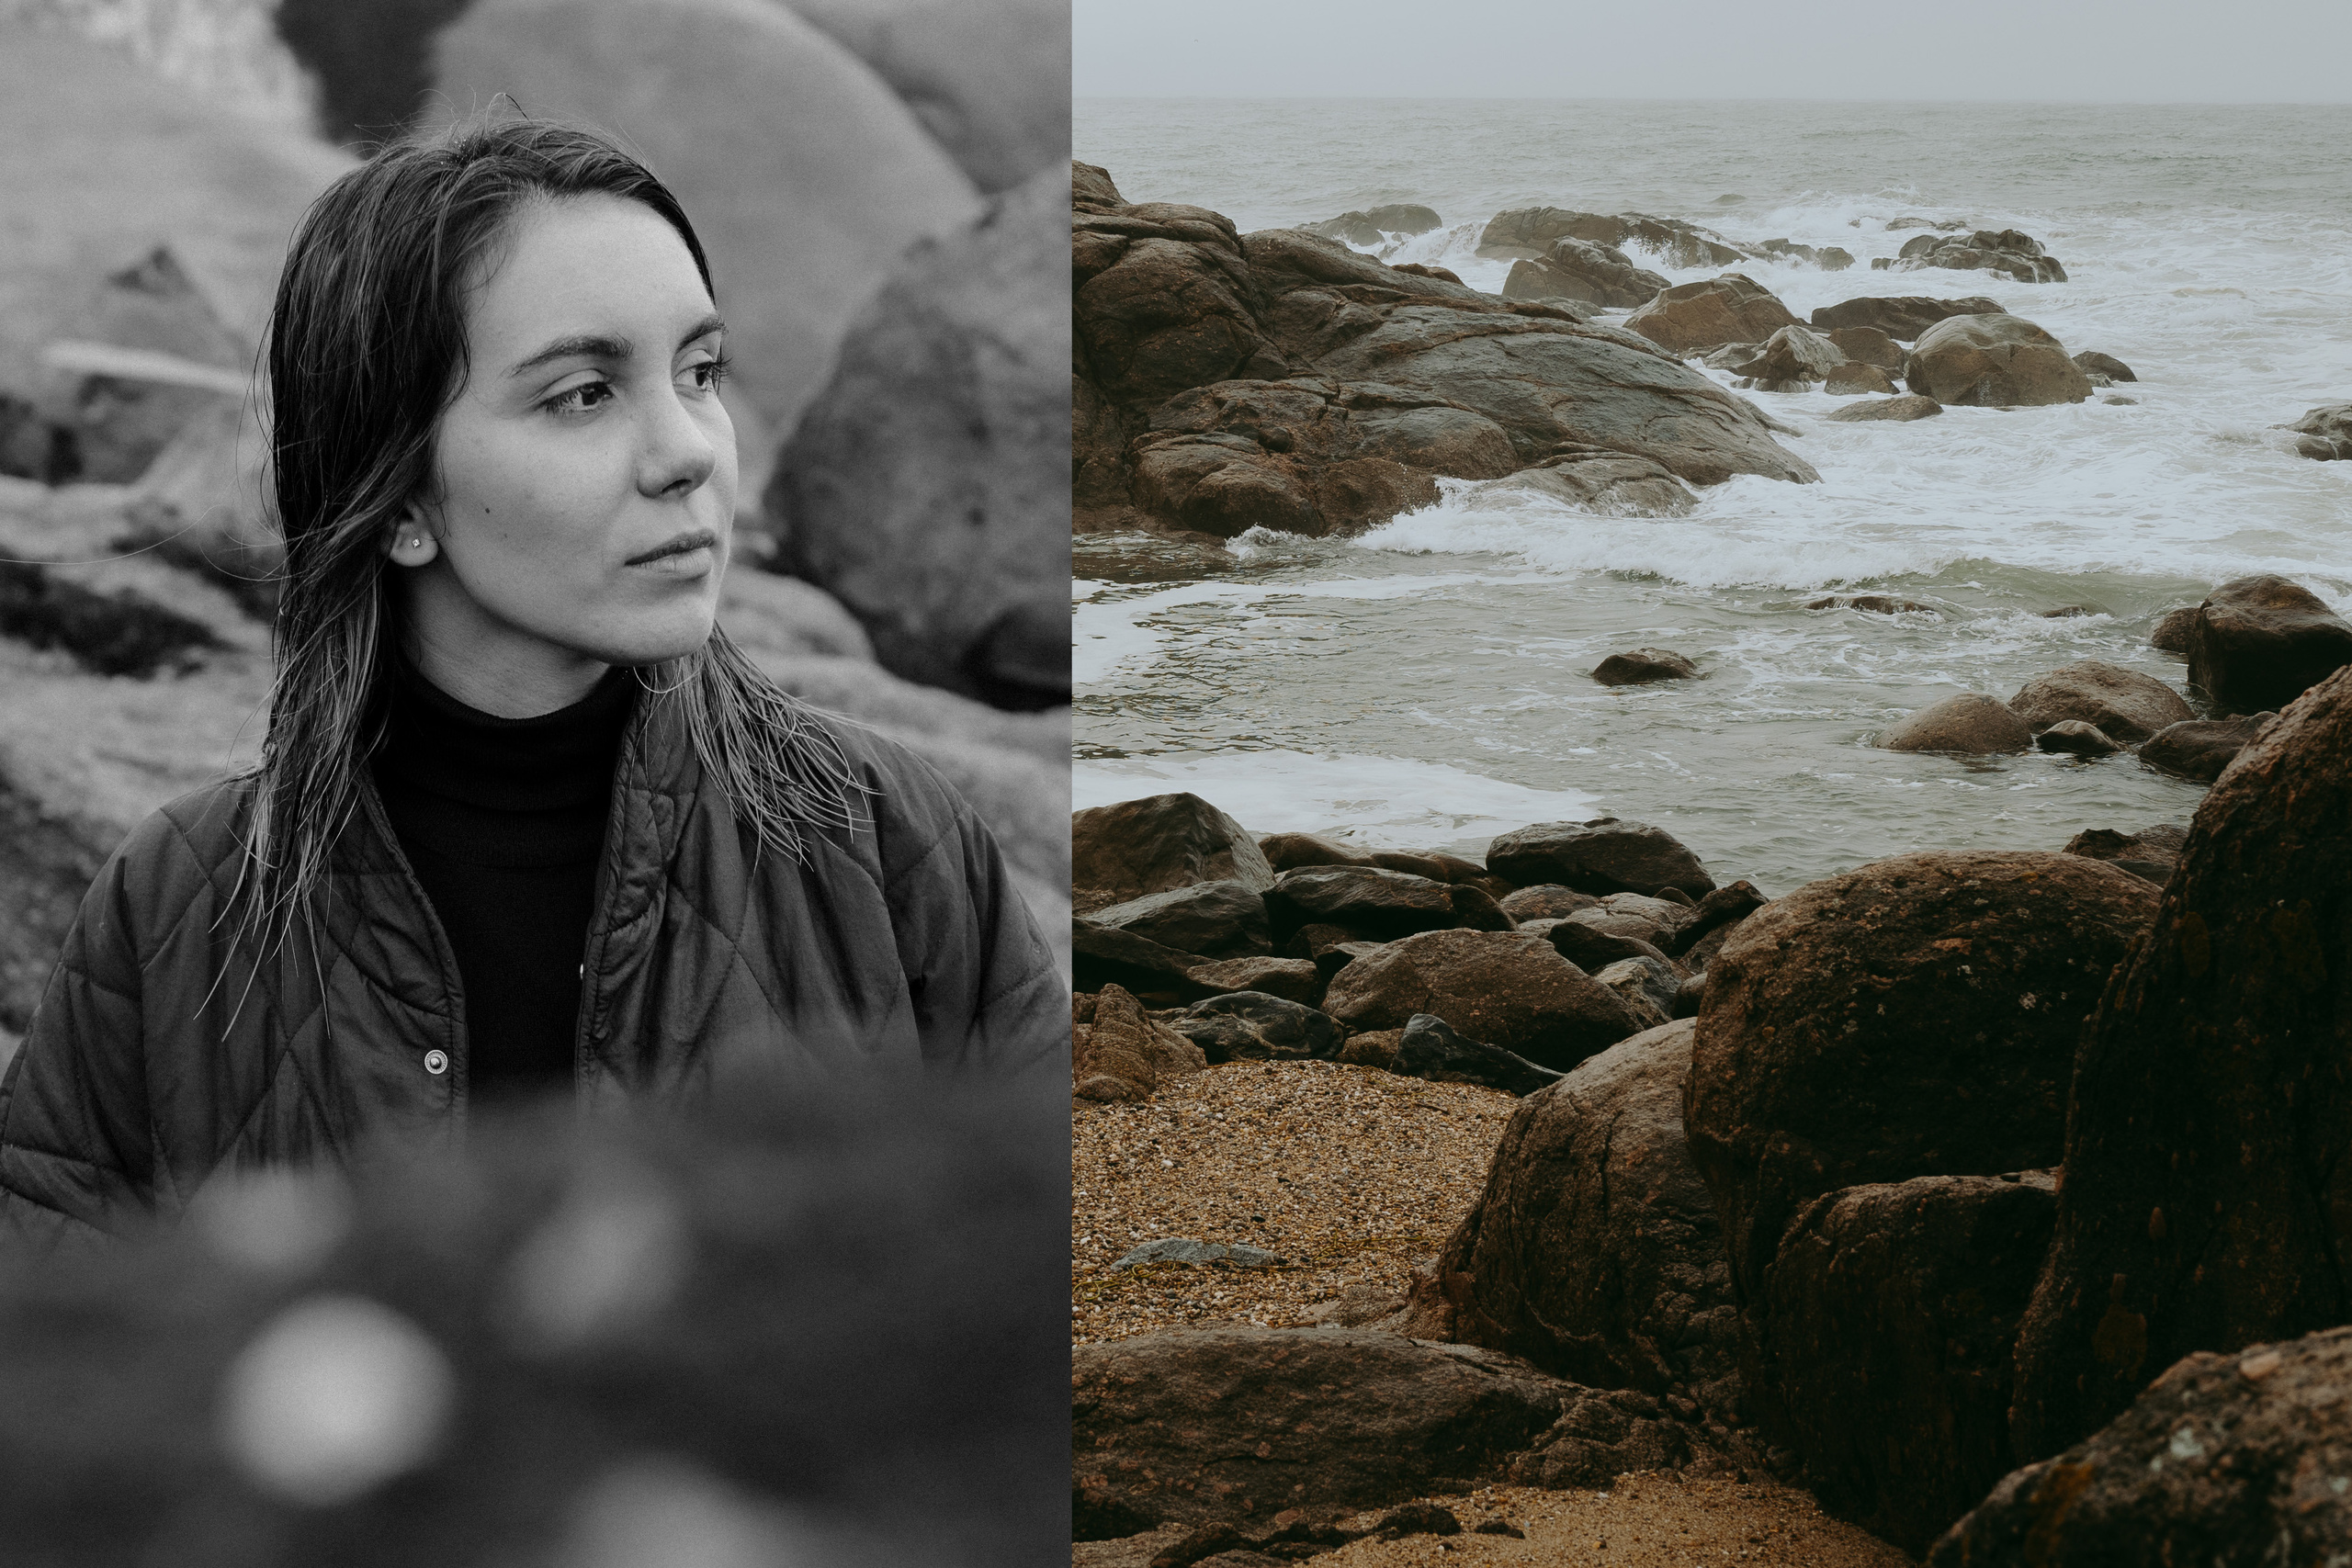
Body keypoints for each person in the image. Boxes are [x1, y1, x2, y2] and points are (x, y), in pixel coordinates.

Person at [0, 115, 1066, 1245]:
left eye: (699, 371)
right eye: (582, 395)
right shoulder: (180, 905)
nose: (691, 450)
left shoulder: (890, 845)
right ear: (401, 498)